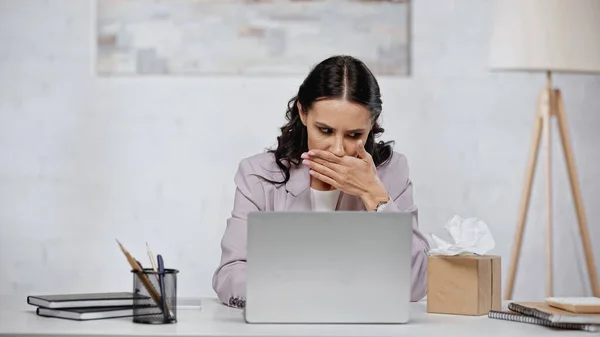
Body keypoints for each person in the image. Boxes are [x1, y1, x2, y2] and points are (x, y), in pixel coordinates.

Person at [212, 55, 430, 309]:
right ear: (303, 113)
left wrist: (374, 194)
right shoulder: (258, 175)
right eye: (325, 130)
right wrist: (291, 297)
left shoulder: (390, 172)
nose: (338, 149)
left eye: (354, 135)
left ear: (372, 123)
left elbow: (417, 284)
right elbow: (229, 275)